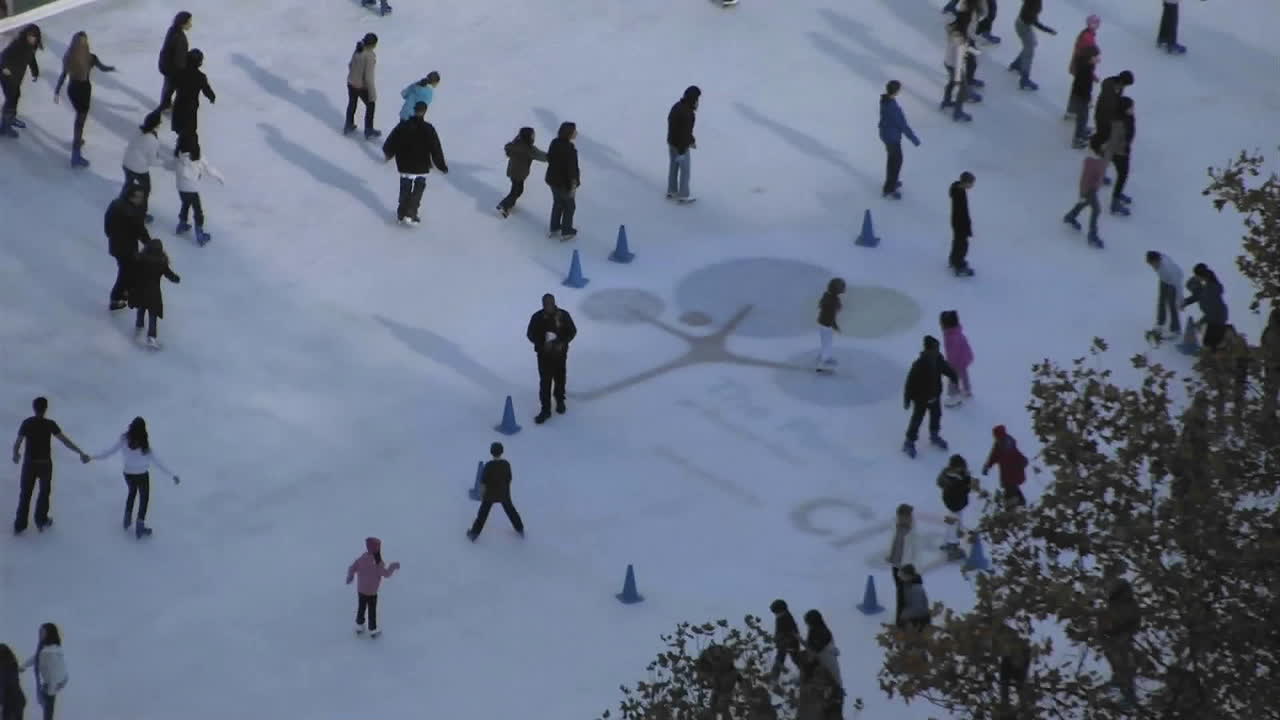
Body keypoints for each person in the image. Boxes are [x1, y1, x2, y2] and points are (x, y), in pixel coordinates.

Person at [91, 417, 180, 538]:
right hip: (142, 475)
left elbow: (109, 452)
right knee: (144, 498)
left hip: (128, 473)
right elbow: (159, 462)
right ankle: (140, 526)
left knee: (132, 493)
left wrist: (92, 457)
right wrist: (173, 474)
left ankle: (127, 520)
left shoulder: (124, 439)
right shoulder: (145, 447)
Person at [12, 398, 89, 535]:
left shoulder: (27, 423)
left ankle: (20, 525)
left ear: (33, 408)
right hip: (45, 465)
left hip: (29, 464)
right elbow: (65, 441)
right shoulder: (49, 424)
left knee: (25, 493)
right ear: (45, 409)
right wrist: (81, 453)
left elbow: (18, 442)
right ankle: (41, 520)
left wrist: (15, 454)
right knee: (44, 493)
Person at [53, 31, 115, 167]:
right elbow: (103, 68)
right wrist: (112, 68)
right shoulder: (90, 58)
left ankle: (77, 141)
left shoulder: (68, 57)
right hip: (83, 91)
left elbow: (63, 75)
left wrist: (57, 91)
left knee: (79, 119)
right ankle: (76, 154)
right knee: (80, 122)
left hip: (72, 90)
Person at [381, 101, 448, 225]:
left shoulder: (402, 126)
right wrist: (442, 166)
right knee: (419, 188)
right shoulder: (428, 129)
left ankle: (401, 213)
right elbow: (436, 149)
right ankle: (411, 213)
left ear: (414, 110)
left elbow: (390, 143)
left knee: (405, 187)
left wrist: (388, 154)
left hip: (404, 164)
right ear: (425, 111)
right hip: (421, 166)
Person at [526, 293, 578, 424]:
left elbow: (572, 331)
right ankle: (545, 409)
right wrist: (542, 344)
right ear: (543, 305)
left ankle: (560, 400)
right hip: (544, 356)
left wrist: (561, 342)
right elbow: (530, 334)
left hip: (560, 355)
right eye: (546, 304)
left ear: (554, 303)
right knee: (545, 382)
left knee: (560, 378)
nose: (548, 306)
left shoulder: (563, 315)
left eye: (550, 303)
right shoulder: (537, 317)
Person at [903, 336, 957, 457]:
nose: (938, 350)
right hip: (921, 398)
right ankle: (909, 441)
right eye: (935, 348)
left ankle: (934, 435)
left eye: (938, 348)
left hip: (935, 396)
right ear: (928, 350)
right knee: (917, 419)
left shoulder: (938, 360)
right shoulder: (919, 364)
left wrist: (954, 377)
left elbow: (947, 369)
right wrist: (907, 399)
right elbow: (910, 382)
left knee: (936, 416)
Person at [129, 238, 182, 349]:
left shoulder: (141, 259)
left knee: (141, 308)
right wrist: (176, 278)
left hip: (141, 289)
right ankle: (151, 337)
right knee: (153, 314)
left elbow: (133, 272)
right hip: (154, 292)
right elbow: (169, 274)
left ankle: (139, 326)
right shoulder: (161, 262)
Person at [104, 186, 150, 310]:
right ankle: (116, 298)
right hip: (126, 247)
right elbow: (140, 229)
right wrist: (149, 243)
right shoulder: (131, 211)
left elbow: (107, 226)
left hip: (116, 245)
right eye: (139, 197)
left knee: (128, 269)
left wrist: (112, 236)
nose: (141, 199)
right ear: (131, 197)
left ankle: (125, 292)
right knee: (126, 272)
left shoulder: (116, 204)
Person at [466, 442, 524, 540]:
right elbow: (509, 478)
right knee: (511, 511)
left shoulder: (488, 466)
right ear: (502, 451)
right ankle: (520, 529)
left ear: (491, 452)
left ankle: (474, 534)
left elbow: (483, 482)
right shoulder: (506, 464)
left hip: (490, 495)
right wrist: (505, 490)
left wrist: (482, 494)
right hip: (504, 493)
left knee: (482, 514)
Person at [345, 537, 400, 637]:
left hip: (361, 590)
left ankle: (359, 625)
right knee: (372, 611)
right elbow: (386, 574)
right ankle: (372, 629)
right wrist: (393, 566)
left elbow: (352, 567)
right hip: (372, 593)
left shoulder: (362, 558)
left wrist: (350, 576)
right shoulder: (378, 563)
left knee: (361, 608)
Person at [174, 136, 224, 244]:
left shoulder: (179, 154)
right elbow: (209, 169)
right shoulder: (198, 157)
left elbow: (171, 165)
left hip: (181, 188)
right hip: (192, 188)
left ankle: (182, 224)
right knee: (197, 210)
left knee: (185, 204)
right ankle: (199, 234)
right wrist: (220, 177)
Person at [1099, 579, 1141, 706]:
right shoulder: (1113, 604)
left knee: (1124, 662)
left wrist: (1126, 632)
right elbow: (1105, 622)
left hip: (1123, 636)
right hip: (1113, 637)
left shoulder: (1131, 605)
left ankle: (1128, 693)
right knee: (1115, 659)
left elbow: (1135, 622)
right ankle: (1123, 686)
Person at [1062, 137, 1107, 248]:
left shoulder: (1100, 159)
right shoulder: (1091, 162)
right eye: (1103, 146)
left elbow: (1099, 173)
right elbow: (1085, 179)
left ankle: (1071, 216)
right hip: (1089, 190)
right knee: (1096, 209)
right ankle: (1092, 235)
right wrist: (1083, 193)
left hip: (1093, 188)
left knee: (1084, 203)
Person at [121, 110, 165, 223]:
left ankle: (121, 205)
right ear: (156, 125)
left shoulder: (137, 130)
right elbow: (152, 161)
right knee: (145, 190)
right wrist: (163, 163)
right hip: (139, 169)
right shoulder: (152, 140)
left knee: (128, 184)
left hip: (126, 163)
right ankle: (141, 215)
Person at [879, 80, 921, 196]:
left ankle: (891, 183)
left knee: (892, 160)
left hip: (886, 134)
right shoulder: (892, 107)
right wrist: (914, 139)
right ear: (896, 91)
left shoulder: (886, 100)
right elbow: (902, 125)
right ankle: (890, 188)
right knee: (896, 162)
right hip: (892, 137)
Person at [0, 24, 42, 139]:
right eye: (30, 36)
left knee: (16, 95)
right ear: (26, 35)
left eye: (34, 36)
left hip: (17, 76)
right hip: (7, 76)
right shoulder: (17, 44)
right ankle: (5, 126)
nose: (32, 38)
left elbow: (31, 59)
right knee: (11, 98)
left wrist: (35, 72)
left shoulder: (31, 47)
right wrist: (4, 68)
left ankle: (11, 118)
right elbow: (2, 56)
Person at [170, 48, 214, 152]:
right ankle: (192, 153)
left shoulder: (179, 72)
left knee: (181, 129)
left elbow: (172, 84)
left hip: (179, 104)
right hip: (190, 107)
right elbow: (206, 90)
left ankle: (181, 148)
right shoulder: (200, 77)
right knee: (190, 131)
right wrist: (212, 97)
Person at [497, 126, 547, 218]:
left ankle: (508, 204)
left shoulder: (515, 144)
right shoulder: (529, 149)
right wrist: (552, 156)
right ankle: (504, 205)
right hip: (519, 174)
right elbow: (542, 156)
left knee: (517, 190)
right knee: (516, 191)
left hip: (512, 172)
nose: (534, 137)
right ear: (529, 137)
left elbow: (508, 147)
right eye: (533, 135)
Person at [19, 624, 66, 720]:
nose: (40, 634)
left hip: (50, 686)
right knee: (47, 710)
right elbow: (36, 657)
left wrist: (51, 690)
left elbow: (54, 671)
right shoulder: (48, 648)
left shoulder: (49, 652)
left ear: (49, 634)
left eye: (43, 632)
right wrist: (24, 666)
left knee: (48, 711)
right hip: (48, 684)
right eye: (40, 632)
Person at [937, 455, 977, 560]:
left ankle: (949, 542)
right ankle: (952, 547)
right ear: (955, 467)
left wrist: (967, 479)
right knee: (953, 523)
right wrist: (968, 486)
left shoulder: (955, 475)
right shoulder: (952, 480)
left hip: (956, 503)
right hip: (954, 503)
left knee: (954, 521)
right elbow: (962, 490)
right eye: (961, 467)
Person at [1009, 0, 1056, 91]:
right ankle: (1024, 79)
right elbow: (1034, 21)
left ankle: (1017, 64)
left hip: (1023, 24)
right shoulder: (1033, 3)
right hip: (1023, 26)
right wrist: (1048, 30)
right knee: (1029, 52)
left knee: (1032, 44)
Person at [545, 121, 580, 240]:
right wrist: (574, 183)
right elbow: (572, 169)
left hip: (552, 180)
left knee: (558, 203)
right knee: (570, 206)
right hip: (564, 184)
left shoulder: (554, 142)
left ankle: (554, 227)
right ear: (569, 133)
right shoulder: (570, 149)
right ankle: (566, 231)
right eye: (574, 131)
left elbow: (549, 158)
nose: (576, 133)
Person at [885, 503, 919, 623]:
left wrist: (908, 568)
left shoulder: (911, 532)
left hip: (905, 569)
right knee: (900, 594)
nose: (910, 518)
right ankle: (901, 620)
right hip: (897, 567)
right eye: (906, 516)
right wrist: (891, 556)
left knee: (905, 595)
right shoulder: (898, 528)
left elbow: (912, 552)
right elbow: (894, 543)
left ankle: (904, 620)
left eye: (909, 516)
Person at [666, 85, 700, 203]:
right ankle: (684, 195)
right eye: (697, 99)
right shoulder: (689, 114)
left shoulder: (677, 106)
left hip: (672, 143)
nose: (698, 102)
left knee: (673, 167)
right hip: (681, 146)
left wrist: (691, 140)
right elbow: (685, 133)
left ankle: (672, 191)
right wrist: (682, 152)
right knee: (685, 171)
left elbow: (675, 126)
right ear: (693, 99)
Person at [1183, 263, 1228, 350]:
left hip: (1217, 319)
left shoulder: (1209, 291)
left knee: (1211, 344)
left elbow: (1212, 313)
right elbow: (1197, 295)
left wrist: (1200, 323)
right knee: (1209, 342)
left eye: (1196, 276)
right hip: (1216, 316)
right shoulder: (1206, 285)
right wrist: (1185, 302)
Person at [982, 425, 1028, 507]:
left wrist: (1022, 460)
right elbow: (993, 457)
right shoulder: (1000, 444)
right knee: (1012, 487)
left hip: (1012, 472)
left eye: (996, 436)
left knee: (1010, 489)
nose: (995, 438)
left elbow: (1016, 454)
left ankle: (1011, 507)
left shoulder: (1006, 443)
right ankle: (1020, 502)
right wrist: (987, 466)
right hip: (1008, 473)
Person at [344, 33, 379, 139]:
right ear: (373, 44)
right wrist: (372, 94)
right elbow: (368, 78)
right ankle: (369, 129)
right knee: (371, 105)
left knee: (352, 103)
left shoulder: (358, 49)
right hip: (361, 86)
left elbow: (350, 65)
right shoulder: (369, 56)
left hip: (351, 82)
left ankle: (348, 124)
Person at [155, 11, 192, 112]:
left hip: (166, 64)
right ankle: (170, 107)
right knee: (179, 88)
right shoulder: (179, 38)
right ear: (182, 23)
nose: (191, 25)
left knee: (168, 87)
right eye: (189, 22)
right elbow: (179, 59)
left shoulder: (172, 30)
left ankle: (166, 104)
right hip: (172, 68)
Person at [941, 24, 976, 124]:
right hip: (955, 67)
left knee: (951, 82)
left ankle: (946, 101)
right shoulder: (960, 41)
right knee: (962, 89)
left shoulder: (953, 35)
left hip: (948, 63)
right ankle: (958, 112)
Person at [1105, 96, 1135, 215]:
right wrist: (1122, 151)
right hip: (1119, 154)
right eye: (1130, 108)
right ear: (1124, 109)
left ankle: (1118, 194)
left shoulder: (1128, 117)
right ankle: (1115, 202)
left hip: (1124, 150)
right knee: (1122, 176)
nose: (1133, 109)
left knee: (1123, 175)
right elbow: (1114, 142)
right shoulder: (1118, 123)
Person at [1066, 45, 1099, 148]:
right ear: (1090, 57)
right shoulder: (1085, 70)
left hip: (1081, 95)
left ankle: (1082, 131)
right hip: (1081, 97)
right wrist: (1088, 99)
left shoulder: (1087, 66)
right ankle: (1077, 139)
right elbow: (1083, 87)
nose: (1098, 59)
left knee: (1084, 117)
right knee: (1082, 118)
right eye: (1096, 57)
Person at [1145, 251, 1183, 338]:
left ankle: (1176, 329)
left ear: (1157, 260)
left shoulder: (1168, 268)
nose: (1152, 266)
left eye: (1152, 264)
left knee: (1172, 304)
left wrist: (1181, 300)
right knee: (1161, 301)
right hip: (1164, 280)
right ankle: (1160, 323)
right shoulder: (1158, 261)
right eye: (1150, 264)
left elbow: (1178, 285)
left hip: (1173, 282)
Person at [939, 310, 973, 405]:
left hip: (958, 360)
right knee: (963, 373)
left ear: (946, 325)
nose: (941, 326)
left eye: (941, 324)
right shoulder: (955, 331)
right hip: (964, 356)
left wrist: (950, 364)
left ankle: (953, 396)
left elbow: (953, 352)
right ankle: (967, 390)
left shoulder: (951, 336)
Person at [948, 171, 976, 276]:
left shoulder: (958, 189)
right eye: (971, 183)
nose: (972, 185)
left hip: (957, 222)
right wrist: (967, 226)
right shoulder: (959, 194)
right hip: (960, 223)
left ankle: (953, 259)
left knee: (957, 242)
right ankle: (959, 265)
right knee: (962, 245)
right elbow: (962, 212)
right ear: (965, 183)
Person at [816, 278, 845, 373]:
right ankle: (821, 364)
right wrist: (835, 326)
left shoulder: (829, 297)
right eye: (842, 287)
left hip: (825, 324)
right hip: (826, 324)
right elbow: (830, 315)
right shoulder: (832, 300)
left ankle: (824, 357)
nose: (844, 289)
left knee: (826, 342)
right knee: (827, 344)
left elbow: (828, 311)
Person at [768, 599, 800, 681]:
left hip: (791, 643)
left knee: (797, 659)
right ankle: (773, 679)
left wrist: (786, 641)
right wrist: (777, 640)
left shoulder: (787, 618)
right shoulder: (780, 618)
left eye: (776, 612)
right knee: (779, 660)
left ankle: (807, 675)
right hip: (783, 643)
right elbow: (778, 632)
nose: (776, 614)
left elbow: (793, 633)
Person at [898, 564, 931, 630]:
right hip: (915, 619)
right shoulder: (908, 585)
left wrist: (903, 616)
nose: (900, 577)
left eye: (902, 575)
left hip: (919, 621)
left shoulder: (915, 588)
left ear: (909, 576)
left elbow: (918, 608)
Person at [0, 643, 24, 720]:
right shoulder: (12, 664)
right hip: (18, 701)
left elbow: (3, 687)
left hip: (10, 704)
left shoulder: (4, 669)